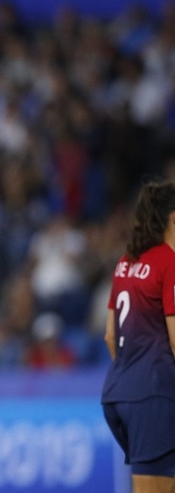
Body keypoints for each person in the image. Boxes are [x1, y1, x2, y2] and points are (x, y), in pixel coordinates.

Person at [102, 181, 175, 493]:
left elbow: (109, 336)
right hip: (154, 395)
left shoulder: (126, 262)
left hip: (119, 392)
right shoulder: (169, 261)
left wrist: (132, 376)